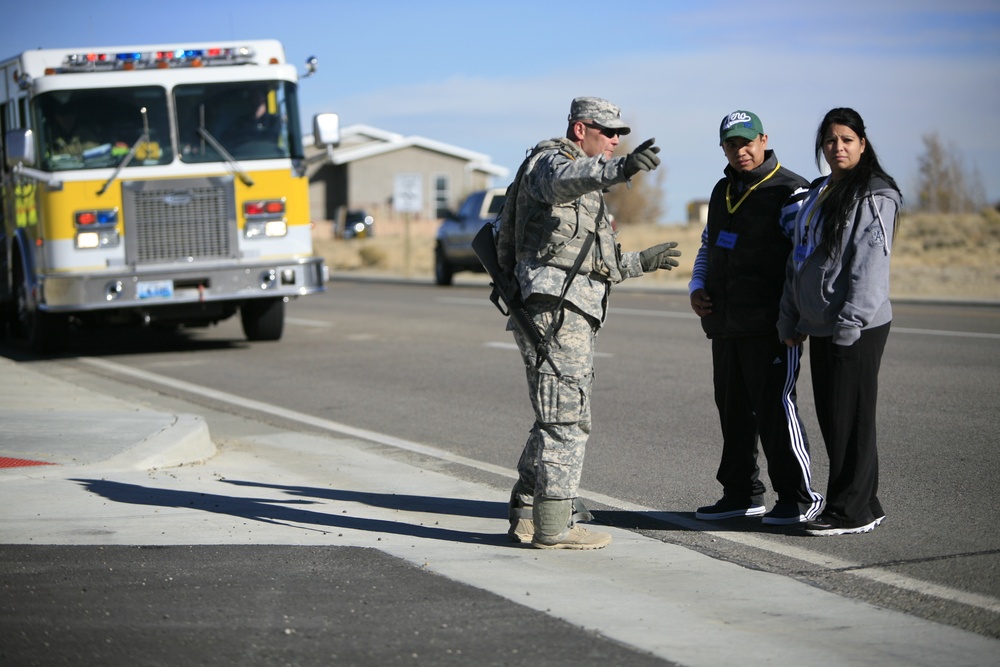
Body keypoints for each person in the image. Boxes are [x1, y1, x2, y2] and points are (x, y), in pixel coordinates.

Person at [500, 97, 681, 550]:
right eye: (608, 131)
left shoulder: (589, 192)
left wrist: (642, 261)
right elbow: (562, 182)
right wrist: (619, 170)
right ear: (580, 130)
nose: (617, 140)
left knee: (557, 415)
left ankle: (528, 511)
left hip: (571, 309)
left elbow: (602, 262)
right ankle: (554, 526)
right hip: (554, 311)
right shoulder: (549, 163)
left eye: (620, 133)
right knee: (567, 419)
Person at [689, 110, 825, 526]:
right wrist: (697, 286)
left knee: (774, 409)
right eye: (731, 144)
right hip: (726, 324)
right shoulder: (721, 189)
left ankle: (797, 498)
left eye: (747, 142)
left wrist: (795, 316)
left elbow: (805, 256)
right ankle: (740, 494)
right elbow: (709, 243)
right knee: (733, 411)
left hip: (771, 328)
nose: (740, 150)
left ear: (764, 139)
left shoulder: (790, 191)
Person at [778, 107, 901, 536]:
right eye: (831, 140)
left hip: (857, 326)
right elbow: (801, 258)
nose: (838, 147)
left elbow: (870, 267)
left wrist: (851, 324)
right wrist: (792, 315)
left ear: (862, 145)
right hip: (821, 323)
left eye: (847, 140)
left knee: (851, 416)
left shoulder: (874, 193)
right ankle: (865, 500)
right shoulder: (819, 192)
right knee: (836, 417)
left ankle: (850, 512)